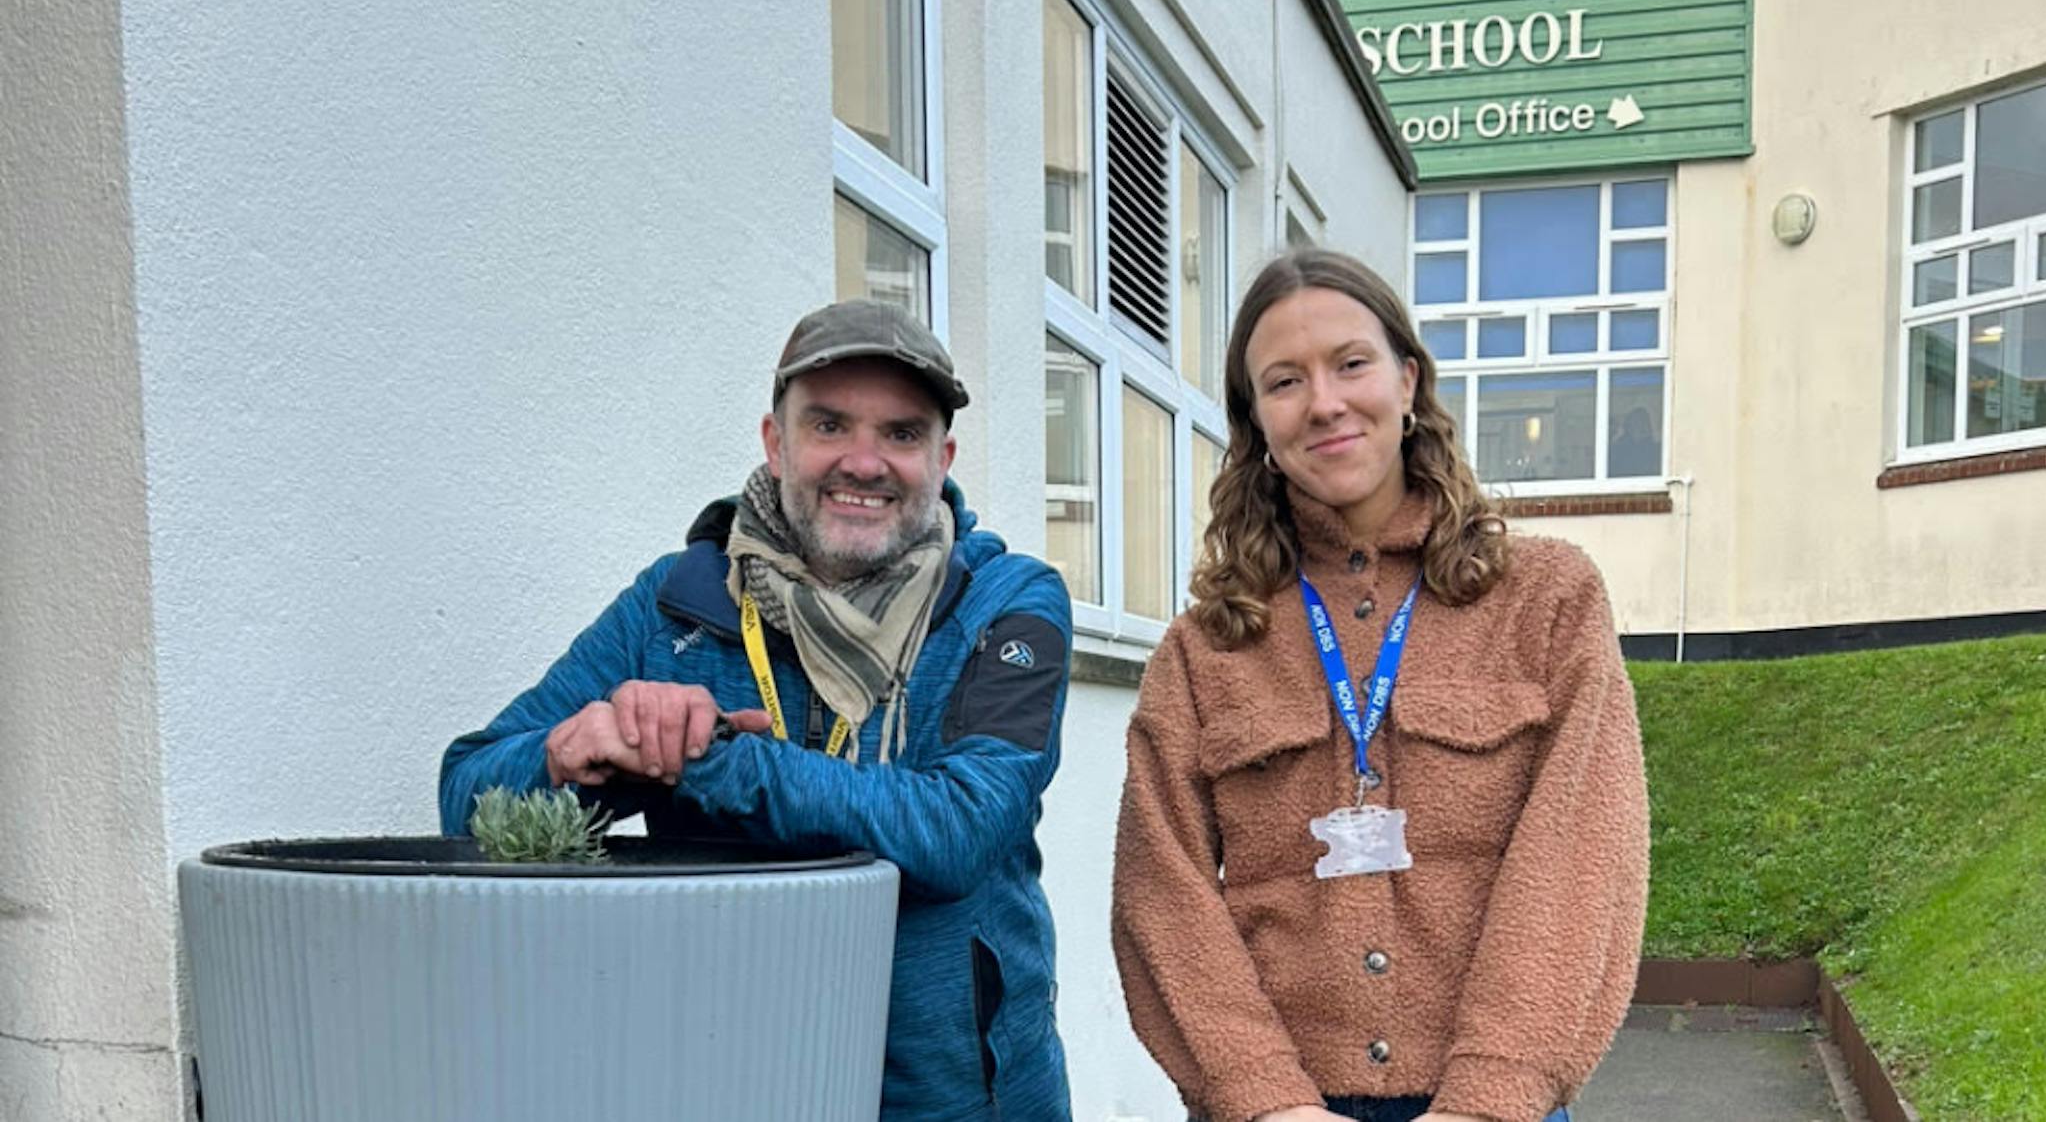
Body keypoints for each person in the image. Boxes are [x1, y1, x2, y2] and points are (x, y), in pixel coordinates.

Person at [440, 299, 1073, 1120]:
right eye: (829, 425)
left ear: (943, 457)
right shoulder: (673, 607)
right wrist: (575, 762)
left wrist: (715, 762)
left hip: (966, 1100)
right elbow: (466, 792)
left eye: (902, 434)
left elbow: (961, 826)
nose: (864, 461)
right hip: (733, 1077)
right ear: (777, 444)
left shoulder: (1009, 604)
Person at [1111, 250, 1648, 1122]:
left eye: (1350, 364)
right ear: (1257, 423)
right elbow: (1157, 889)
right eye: (1284, 381)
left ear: (1407, 381)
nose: (1324, 402)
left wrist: (1494, 1092)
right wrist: (1262, 1097)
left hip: (1493, 1103)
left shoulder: (1547, 599)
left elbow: (1583, 855)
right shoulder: (1206, 646)